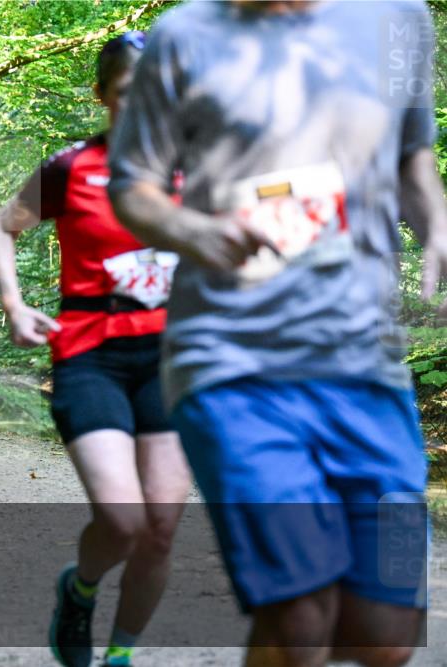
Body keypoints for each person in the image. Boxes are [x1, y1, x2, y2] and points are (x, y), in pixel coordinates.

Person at [107, 2, 445, 665]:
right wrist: (204, 233)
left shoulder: (397, 21)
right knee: (299, 614)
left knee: (389, 635)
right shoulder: (182, 37)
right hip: (231, 363)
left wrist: (436, 224)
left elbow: (413, 158)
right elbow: (132, 187)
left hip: (366, 366)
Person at [0, 33, 191, 667]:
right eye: (129, 93)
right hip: (91, 356)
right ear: (103, 96)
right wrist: (14, 304)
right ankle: (78, 591)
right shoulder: (72, 168)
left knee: (159, 532)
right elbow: (4, 225)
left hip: (172, 360)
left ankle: (119, 657)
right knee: (125, 520)